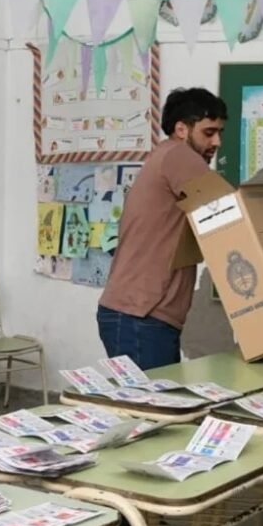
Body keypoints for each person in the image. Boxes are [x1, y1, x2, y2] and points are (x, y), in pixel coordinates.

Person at [97, 87, 227, 370]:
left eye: (220, 133)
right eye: (208, 132)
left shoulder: (166, 156)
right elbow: (228, 212)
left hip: (138, 315)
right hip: (140, 317)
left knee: (155, 408)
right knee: (153, 410)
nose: (217, 141)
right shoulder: (179, 156)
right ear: (181, 129)